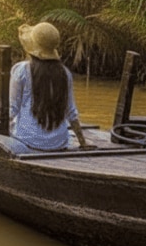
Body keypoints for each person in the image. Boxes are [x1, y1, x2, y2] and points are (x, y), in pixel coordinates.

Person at [9, 22, 89, 150]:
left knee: (14, 127)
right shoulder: (65, 73)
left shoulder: (21, 70)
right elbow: (71, 112)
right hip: (58, 142)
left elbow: (12, 108)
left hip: (27, 139)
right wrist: (83, 142)